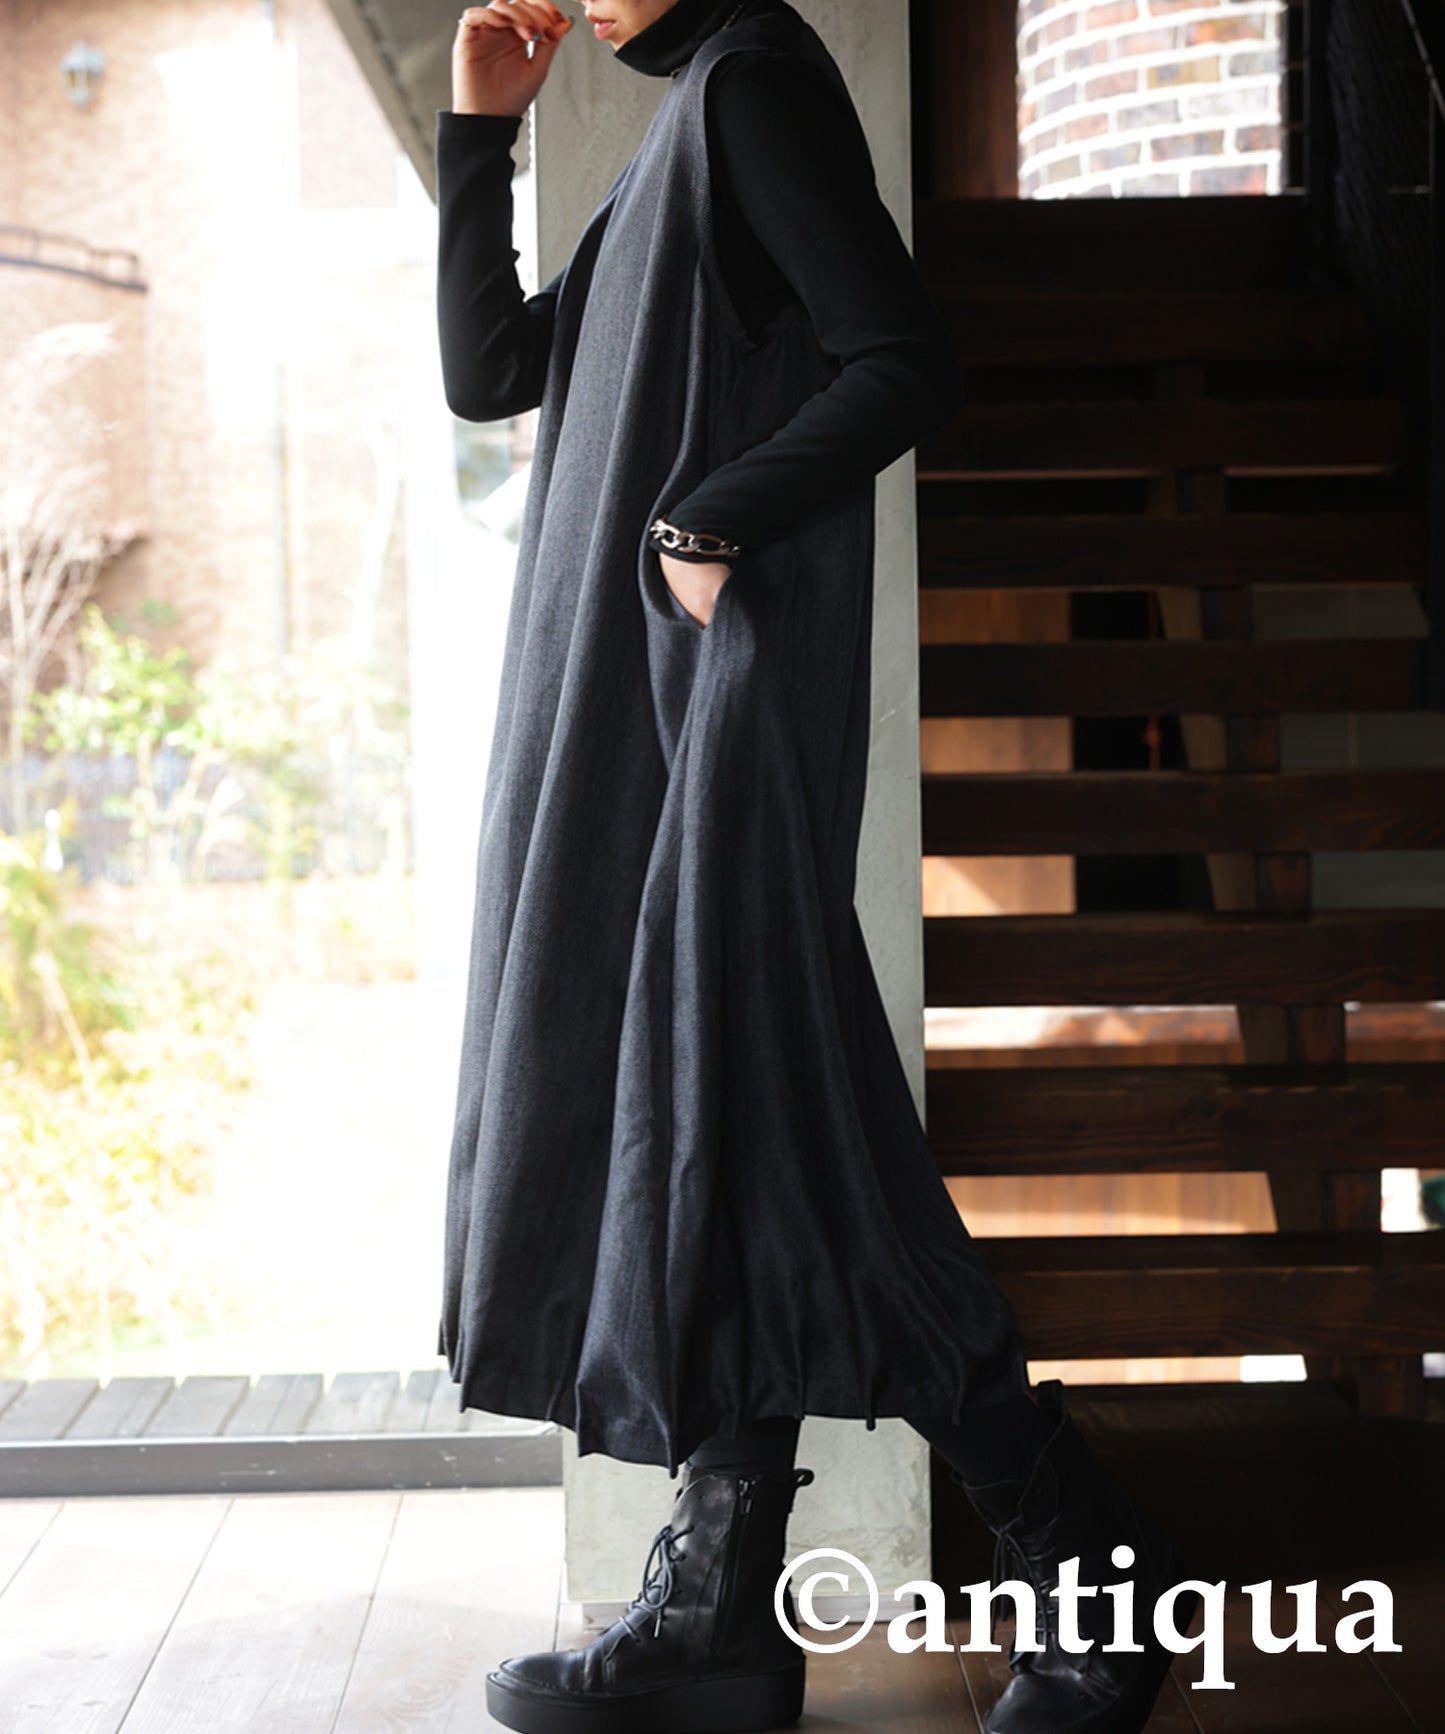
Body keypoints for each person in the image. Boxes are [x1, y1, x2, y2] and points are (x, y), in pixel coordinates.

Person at [435, 3, 1197, 1730]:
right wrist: (482, 129)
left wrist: (705, 518)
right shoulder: (682, 130)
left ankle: (1084, 1561)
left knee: (777, 1105)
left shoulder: (755, 90)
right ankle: (722, 1609)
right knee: (721, 1117)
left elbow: (898, 358)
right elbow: (493, 372)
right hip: (638, 719)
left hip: (712, 709)